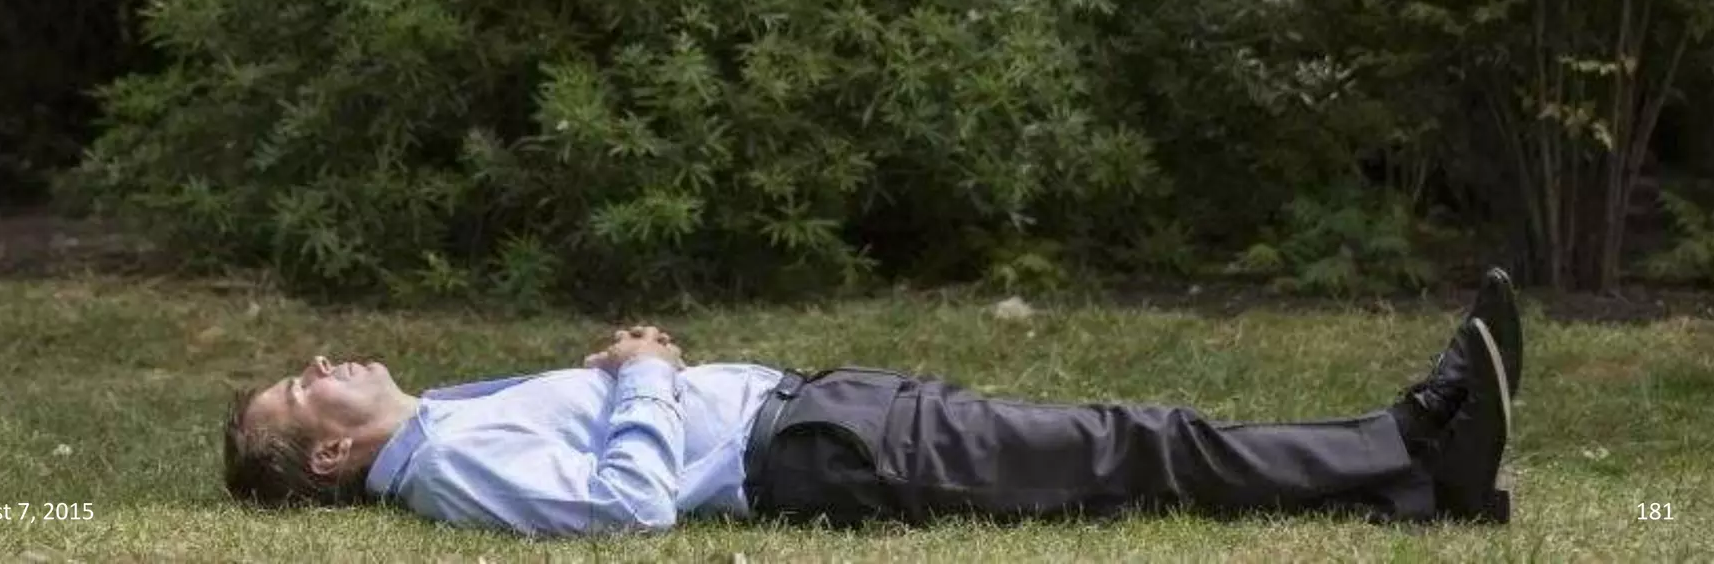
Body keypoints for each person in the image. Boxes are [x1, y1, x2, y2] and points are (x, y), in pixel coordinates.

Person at [222, 269, 1524, 537]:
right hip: (820, 450)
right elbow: (626, 511)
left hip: (818, 414)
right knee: (1139, 445)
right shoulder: (450, 463)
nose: (322, 355)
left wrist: (627, 365)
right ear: (332, 455)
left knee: (1131, 446)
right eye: (301, 384)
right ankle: (1411, 440)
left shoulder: (447, 418)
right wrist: (650, 376)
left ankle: (1415, 477)